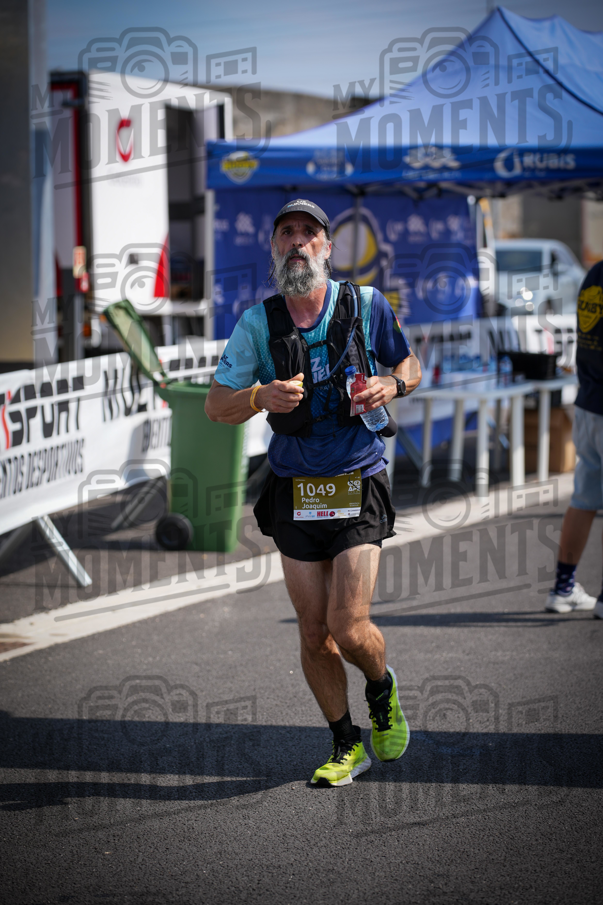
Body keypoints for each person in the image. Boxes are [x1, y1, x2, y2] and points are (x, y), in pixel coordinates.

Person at [206, 198, 422, 786]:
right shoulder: (258, 324)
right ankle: (343, 741)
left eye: (309, 233)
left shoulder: (366, 304)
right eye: (286, 233)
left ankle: (382, 688)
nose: (297, 242)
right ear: (274, 248)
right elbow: (215, 405)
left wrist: (390, 383)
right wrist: (257, 397)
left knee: (349, 625)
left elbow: (411, 363)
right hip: (295, 487)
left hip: (357, 476)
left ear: (327, 247)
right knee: (312, 631)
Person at [546, 259, 603, 618]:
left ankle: (563, 587)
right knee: (584, 497)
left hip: (589, 402)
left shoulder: (595, 274)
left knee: (584, 497)